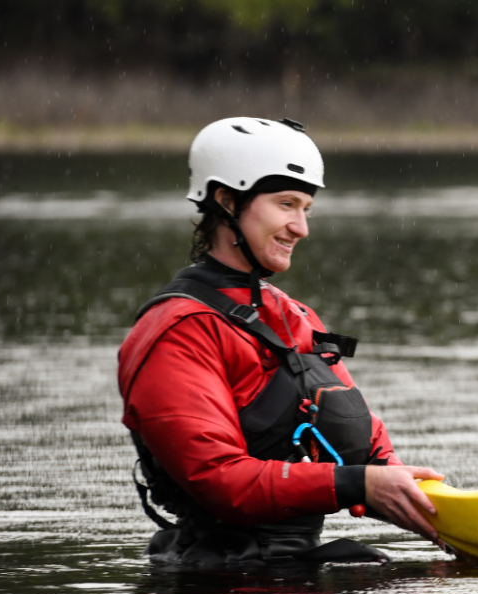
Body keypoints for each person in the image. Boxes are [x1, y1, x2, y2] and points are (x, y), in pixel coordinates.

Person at [118, 116, 444, 567]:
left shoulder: (294, 316)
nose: (301, 228)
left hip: (294, 579)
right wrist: (358, 484)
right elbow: (220, 481)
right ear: (227, 201)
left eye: (306, 209)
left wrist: (422, 501)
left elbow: (366, 444)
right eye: (286, 204)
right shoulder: (176, 331)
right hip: (217, 587)